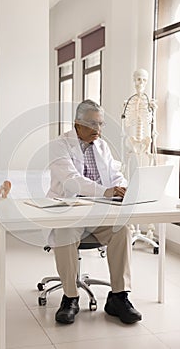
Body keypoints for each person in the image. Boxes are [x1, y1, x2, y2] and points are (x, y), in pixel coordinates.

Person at [47, 99, 142, 325]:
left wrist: (122, 186)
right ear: (77, 124)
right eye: (92, 124)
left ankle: (119, 297)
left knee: (122, 229)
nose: (98, 130)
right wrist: (106, 191)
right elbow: (72, 181)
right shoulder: (59, 145)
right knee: (65, 232)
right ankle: (70, 297)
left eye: (100, 124)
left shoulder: (102, 146)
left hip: (101, 212)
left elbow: (114, 173)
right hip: (71, 210)